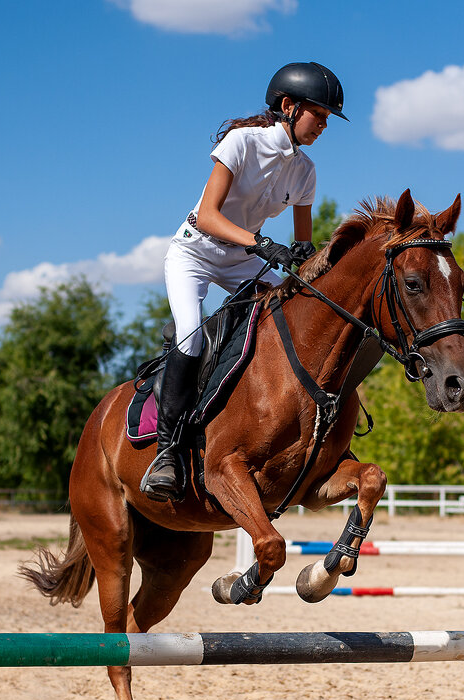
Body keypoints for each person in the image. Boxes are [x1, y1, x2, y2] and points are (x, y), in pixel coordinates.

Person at [140, 62, 347, 502]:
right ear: (288, 107)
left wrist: (302, 255)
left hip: (245, 260)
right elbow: (209, 216)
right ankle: (167, 453)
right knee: (190, 342)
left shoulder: (305, 171)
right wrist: (261, 243)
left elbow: (303, 241)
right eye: (319, 116)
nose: (323, 126)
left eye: (328, 120)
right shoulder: (241, 142)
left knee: (302, 307)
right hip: (194, 253)